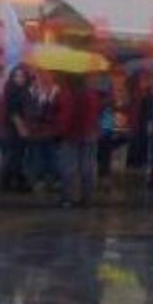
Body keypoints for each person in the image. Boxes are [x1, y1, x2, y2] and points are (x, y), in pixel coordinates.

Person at [52, 74, 102, 208]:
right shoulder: (92, 94)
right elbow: (97, 112)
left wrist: (59, 131)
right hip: (90, 133)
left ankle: (68, 198)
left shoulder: (67, 95)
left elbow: (65, 118)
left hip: (71, 135)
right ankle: (87, 198)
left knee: (69, 167)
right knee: (88, 167)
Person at [0, 65, 33, 193]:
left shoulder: (24, 90)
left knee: (16, 155)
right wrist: (21, 128)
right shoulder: (13, 91)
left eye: (22, 76)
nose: (19, 79)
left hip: (20, 125)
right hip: (14, 128)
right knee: (15, 155)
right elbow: (13, 112)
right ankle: (14, 183)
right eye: (16, 76)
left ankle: (8, 182)